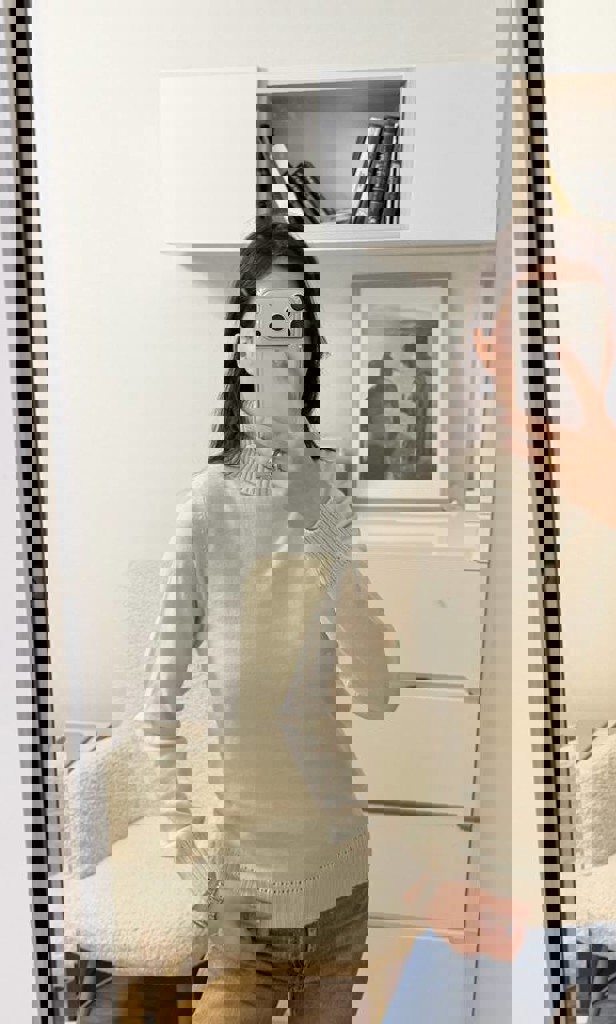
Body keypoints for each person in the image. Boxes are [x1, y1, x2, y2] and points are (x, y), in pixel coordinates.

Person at [139, 221, 402, 1022]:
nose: (283, 351)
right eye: (267, 329)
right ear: (241, 349)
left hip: (338, 885)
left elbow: (378, 692)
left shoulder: (332, 497)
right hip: (242, 902)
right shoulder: (207, 508)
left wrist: (334, 544)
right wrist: (190, 849)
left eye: (297, 331)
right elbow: (155, 716)